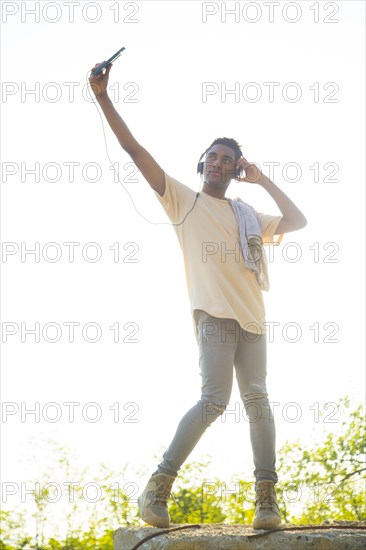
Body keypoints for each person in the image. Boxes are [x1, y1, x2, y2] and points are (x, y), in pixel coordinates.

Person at [89, 61, 307, 530]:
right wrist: (103, 96)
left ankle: (266, 503)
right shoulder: (183, 201)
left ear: (235, 170)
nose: (219, 162)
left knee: (259, 400)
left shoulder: (248, 214)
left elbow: (297, 221)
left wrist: (262, 179)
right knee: (214, 400)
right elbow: (133, 149)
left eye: (228, 160)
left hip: (253, 320)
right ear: (202, 161)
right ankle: (158, 486)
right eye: (213, 155)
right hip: (213, 316)